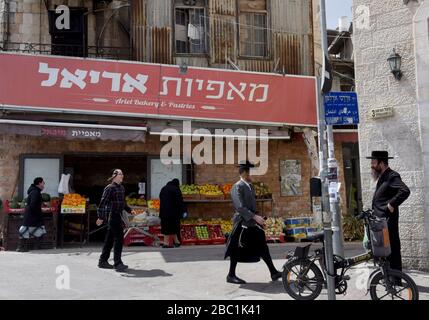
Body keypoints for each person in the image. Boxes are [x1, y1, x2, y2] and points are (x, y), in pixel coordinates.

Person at [225, 161, 282, 284]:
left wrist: (258, 218)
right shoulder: (237, 186)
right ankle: (231, 275)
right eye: (249, 172)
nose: (251, 174)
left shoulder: (250, 186)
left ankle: (273, 272)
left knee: (262, 246)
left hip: (251, 222)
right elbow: (239, 207)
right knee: (236, 247)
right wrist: (255, 217)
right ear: (245, 173)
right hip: (241, 222)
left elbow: (251, 206)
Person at [367, 151, 410, 273]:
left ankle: (396, 279)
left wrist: (392, 203)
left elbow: (405, 190)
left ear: (381, 163)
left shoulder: (392, 176)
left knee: (393, 250)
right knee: (386, 252)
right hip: (382, 222)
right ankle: (390, 278)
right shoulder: (383, 176)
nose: (371, 165)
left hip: (388, 222)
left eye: (374, 162)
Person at [96, 169, 134, 271]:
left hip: (118, 216)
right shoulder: (109, 188)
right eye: (120, 174)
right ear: (114, 176)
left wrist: (129, 210)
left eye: (122, 174)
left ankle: (102, 261)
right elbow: (102, 203)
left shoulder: (121, 188)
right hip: (112, 216)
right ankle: (118, 263)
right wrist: (100, 217)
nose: (122, 175)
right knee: (119, 239)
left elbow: (123, 203)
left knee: (109, 240)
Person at [17, 177, 47, 252]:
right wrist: (37, 213)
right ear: (39, 183)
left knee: (37, 229)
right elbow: (33, 204)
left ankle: (35, 246)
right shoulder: (35, 192)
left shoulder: (35, 191)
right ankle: (21, 247)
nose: (44, 184)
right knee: (26, 230)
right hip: (32, 215)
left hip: (31, 215)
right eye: (43, 183)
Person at [159, 179, 186, 248]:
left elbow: (160, 198)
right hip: (173, 213)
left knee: (166, 227)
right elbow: (179, 202)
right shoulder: (176, 189)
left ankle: (177, 242)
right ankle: (166, 244)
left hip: (163, 213)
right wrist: (183, 211)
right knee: (173, 227)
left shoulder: (163, 188)